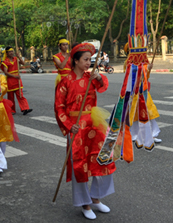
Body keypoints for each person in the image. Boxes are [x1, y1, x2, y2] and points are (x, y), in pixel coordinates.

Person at [55, 43, 115, 220]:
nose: (89, 63)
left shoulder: (91, 77)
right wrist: (67, 125)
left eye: (90, 59)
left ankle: (96, 198)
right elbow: (59, 107)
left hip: (94, 123)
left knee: (102, 160)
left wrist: (98, 78)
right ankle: (85, 203)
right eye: (85, 59)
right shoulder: (65, 82)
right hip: (76, 127)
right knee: (80, 166)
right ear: (75, 60)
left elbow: (103, 86)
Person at [1, 46, 32, 115]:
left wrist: (19, 57)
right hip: (10, 81)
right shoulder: (5, 62)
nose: (12, 53)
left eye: (12, 51)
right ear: (7, 53)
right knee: (11, 97)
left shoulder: (15, 59)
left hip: (17, 81)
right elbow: (6, 72)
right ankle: (12, 110)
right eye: (10, 52)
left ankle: (25, 108)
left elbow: (23, 63)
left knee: (20, 95)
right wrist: (14, 76)